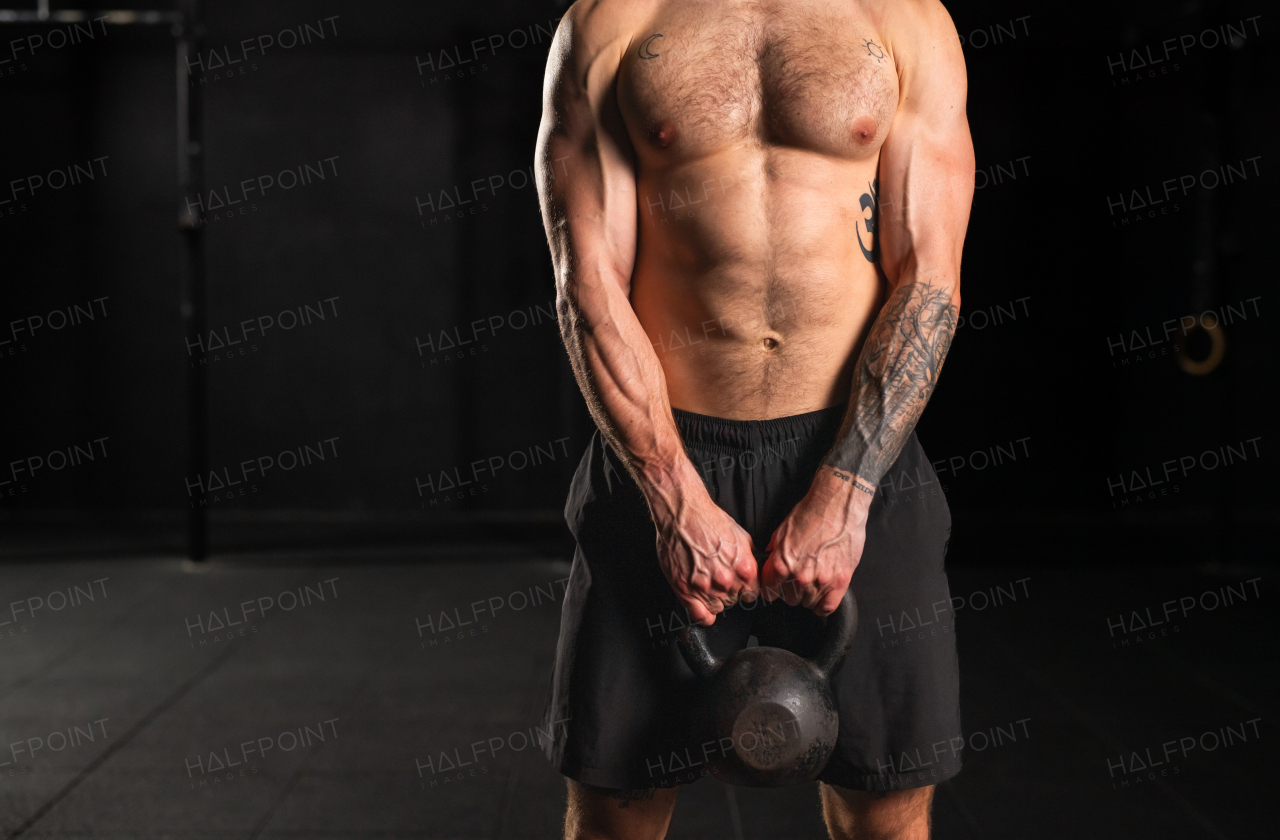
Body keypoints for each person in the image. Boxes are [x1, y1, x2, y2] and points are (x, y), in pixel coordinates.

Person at [534, 0, 974, 837]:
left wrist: (846, 493)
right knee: (613, 816)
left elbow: (930, 275)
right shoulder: (611, 23)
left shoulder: (907, 22)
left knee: (888, 814)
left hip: (859, 456)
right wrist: (671, 497)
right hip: (661, 456)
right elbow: (587, 283)